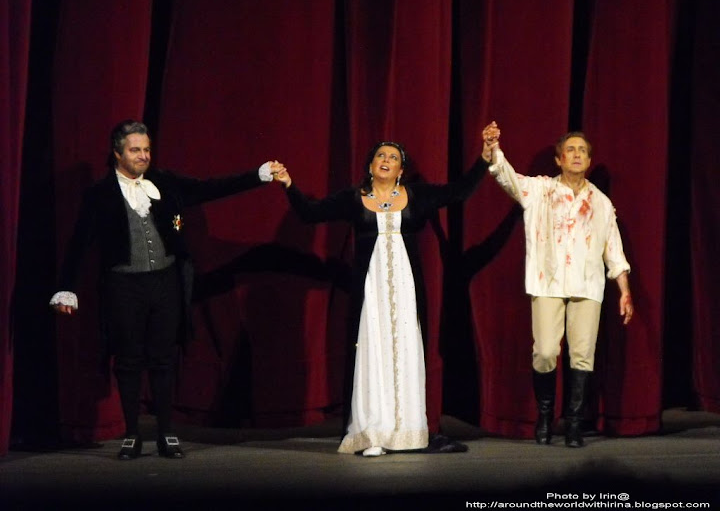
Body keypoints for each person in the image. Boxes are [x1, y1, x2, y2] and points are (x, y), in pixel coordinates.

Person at [50, 119, 285, 460]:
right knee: (129, 360)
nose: (143, 156)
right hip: (123, 286)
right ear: (117, 154)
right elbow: (79, 243)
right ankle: (132, 434)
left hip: (165, 283)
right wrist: (65, 288)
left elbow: (210, 188)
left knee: (163, 358)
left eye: (146, 149)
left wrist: (257, 176)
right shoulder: (99, 194)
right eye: (135, 150)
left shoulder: (164, 182)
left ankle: (166, 432)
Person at [275, 142, 488, 456]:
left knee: (405, 351)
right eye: (380, 156)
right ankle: (372, 432)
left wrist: (484, 159)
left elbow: (458, 192)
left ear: (401, 170)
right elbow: (310, 212)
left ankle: (407, 432)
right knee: (372, 352)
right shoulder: (354, 198)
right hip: (371, 292)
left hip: (406, 292)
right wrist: (288, 184)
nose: (386, 160)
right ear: (370, 166)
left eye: (393, 157)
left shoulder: (416, 195)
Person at [481, 121, 634, 448]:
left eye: (582, 151)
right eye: (570, 150)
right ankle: (545, 415)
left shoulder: (601, 203)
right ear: (559, 159)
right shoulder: (540, 190)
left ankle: (574, 423)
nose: (576, 155)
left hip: (587, 285)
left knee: (582, 355)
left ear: (589, 160)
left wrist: (624, 290)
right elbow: (507, 177)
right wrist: (494, 149)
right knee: (546, 352)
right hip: (547, 281)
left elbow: (613, 250)